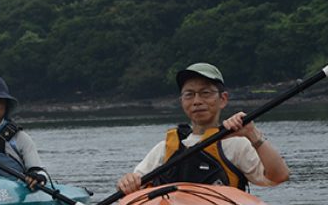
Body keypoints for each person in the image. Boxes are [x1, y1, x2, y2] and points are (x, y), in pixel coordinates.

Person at [117, 63, 289, 194]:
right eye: (189, 95)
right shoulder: (164, 149)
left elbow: (279, 176)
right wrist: (127, 182)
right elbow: (133, 184)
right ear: (182, 101)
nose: (197, 101)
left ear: (223, 99)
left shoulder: (237, 144)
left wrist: (253, 135)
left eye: (205, 93)